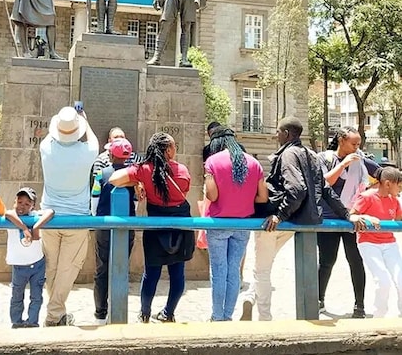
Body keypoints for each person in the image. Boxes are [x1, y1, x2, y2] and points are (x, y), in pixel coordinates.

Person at [240, 116, 367, 321]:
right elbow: (326, 190)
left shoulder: (288, 154)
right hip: (298, 222)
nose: (276, 135)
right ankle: (250, 298)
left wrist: (279, 215)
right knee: (267, 266)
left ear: (287, 134)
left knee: (261, 270)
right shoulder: (310, 154)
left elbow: (297, 189)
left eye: (279, 132)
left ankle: (264, 319)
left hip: (276, 221)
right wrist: (346, 214)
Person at [109, 132, 194, 323]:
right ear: (168, 150)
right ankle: (168, 313)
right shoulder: (182, 170)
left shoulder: (144, 169)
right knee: (177, 273)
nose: (175, 149)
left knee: (151, 273)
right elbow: (184, 191)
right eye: (174, 146)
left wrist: (138, 181)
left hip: (156, 225)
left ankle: (145, 313)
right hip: (180, 226)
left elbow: (114, 178)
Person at [39, 106, 99, 326]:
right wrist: (85, 120)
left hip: (49, 217)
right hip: (76, 218)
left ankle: (57, 311)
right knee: (68, 268)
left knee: (52, 267)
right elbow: (94, 140)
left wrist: (63, 123)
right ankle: (54, 314)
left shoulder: (45, 147)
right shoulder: (88, 152)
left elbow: (49, 134)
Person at [204, 127, 268, 321]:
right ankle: (228, 315)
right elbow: (263, 197)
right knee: (234, 270)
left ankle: (217, 316)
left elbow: (212, 195)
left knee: (218, 270)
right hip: (243, 224)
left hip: (218, 223)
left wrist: (208, 178)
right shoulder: (254, 163)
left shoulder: (212, 162)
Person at [317, 126, 380, 318]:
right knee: (327, 260)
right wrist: (343, 164)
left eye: (359, 144)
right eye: (354, 143)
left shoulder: (360, 160)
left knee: (356, 261)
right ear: (341, 140)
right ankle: (318, 300)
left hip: (354, 217)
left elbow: (381, 175)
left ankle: (359, 306)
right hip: (329, 219)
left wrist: (366, 193)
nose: (356, 147)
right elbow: (323, 182)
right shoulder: (324, 158)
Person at [91, 138, 137, 325]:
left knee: (102, 269)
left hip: (104, 225)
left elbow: (94, 200)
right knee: (121, 268)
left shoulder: (101, 174)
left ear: (111, 154)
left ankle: (100, 312)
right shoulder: (133, 177)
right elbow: (134, 202)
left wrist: (95, 218)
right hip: (127, 227)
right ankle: (118, 309)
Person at [350, 167, 402, 318]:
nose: (400, 189)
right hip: (369, 243)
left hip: (389, 243)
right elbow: (352, 215)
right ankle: (378, 317)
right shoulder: (367, 197)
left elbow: (398, 219)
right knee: (383, 280)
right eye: (398, 186)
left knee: (400, 279)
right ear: (387, 184)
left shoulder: (394, 200)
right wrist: (367, 217)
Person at [4, 187, 54, 328]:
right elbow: (8, 213)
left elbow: (50, 212)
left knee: (36, 296)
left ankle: (32, 321)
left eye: (27, 204)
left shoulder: (35, 215)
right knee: (17, 296)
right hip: (19, 266)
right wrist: (25, 229)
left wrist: (36, 227)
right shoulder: (12, 216)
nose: (22, 206)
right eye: (20, 202)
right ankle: (16, 321)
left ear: (33, 205)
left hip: (37, 264)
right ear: (15, 201)